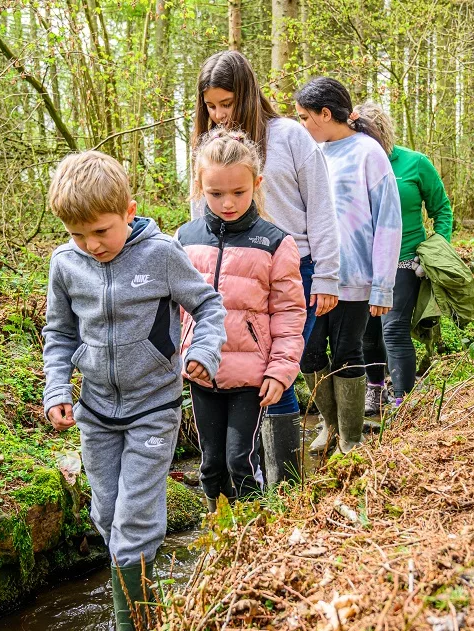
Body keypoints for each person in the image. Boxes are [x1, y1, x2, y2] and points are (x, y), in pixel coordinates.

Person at [41, 151, 227, 631]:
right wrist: (57, 387)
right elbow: (60, 333)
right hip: (96, 410)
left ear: (128, 211)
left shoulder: (161, 254)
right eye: (77, 234)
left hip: (154, 407)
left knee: (134, 524)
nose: (90, 245)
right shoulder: (65, 263)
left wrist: (203, 353)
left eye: (100, 231)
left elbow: (207, 306)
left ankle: (136, 625)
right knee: (106, 516)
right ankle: (149, 607)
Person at [193, 51, 339, 485]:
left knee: (277, 374)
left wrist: (329, 274)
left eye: (227, 103)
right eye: (211, 106)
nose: (219, 115)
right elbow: (199, 209)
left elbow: (322, 207)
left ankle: (287, 486)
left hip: (297, 268)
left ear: (248, 96)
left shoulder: (290, 136)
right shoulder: (207, 147)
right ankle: (248, 485)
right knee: (240, 378)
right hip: (231, 273)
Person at [177, 128, 306, 501]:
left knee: (240, 459)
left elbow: (289, 313)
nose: (227, 203)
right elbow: (171, 311)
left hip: (251, 377)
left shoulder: (275, 242)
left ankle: (254, 532)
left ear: (257, 183)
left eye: (239, 192)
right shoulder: (184, 239)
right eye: (216, 194)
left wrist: (281, 372)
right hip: (202, 373)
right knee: (211, 463)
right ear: (200, 185)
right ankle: (215, 534)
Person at [293, 77, 401, 455]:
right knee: (308, 352)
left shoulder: (369, 153)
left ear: (327, 114)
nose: (302, 125)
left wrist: (382, 285)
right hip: (313, 273)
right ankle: (329, 424)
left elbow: (389, 221)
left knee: (346, 353)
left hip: (355, 277)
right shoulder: (312, 153)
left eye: (306, 117)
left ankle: (351, 440)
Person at [355, 102, 454, 415]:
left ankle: (403, 400)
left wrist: (436, 252)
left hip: (405, 260)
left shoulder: (415, 163)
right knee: (367, 334)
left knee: (393, 329)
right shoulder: (353, 163)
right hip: (364, 263)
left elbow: (442, 210)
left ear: (384, 133)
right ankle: (375, 389)